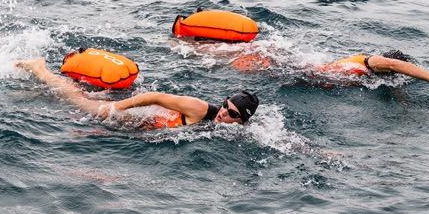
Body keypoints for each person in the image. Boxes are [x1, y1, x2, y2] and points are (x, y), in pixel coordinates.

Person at [15, 58, 259, 128]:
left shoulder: (233, 129)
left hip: (142, 124)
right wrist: (115, 109)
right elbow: (154, 96)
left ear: (241, 121)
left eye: (232, 114)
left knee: (81, 101)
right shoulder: (198, 108)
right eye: (225, 105)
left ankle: (36, 91)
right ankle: (40, 69)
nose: (223, 113)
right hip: (138, 114)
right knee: (81, 103)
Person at [231, 50, 429, 95]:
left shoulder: (378, 79)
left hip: (315, 80)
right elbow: (394, 65)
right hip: (306, 74)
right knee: (255, 68)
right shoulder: (372, 62)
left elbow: (395, 90)